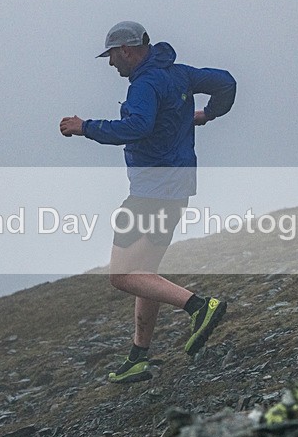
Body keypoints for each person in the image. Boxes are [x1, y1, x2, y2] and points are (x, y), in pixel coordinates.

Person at [59, 21, 236, 384]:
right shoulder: (179, 74)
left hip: (150, 191)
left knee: (122, 276)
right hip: (178, 188)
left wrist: (85, 127)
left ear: (127, 50)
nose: (111, 65)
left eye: (111, 56)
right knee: (145, 274)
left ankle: (200, 306)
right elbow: (226, 82)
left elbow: (136, 126)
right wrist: (208, 113)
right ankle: (138, 356)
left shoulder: (145, 84)